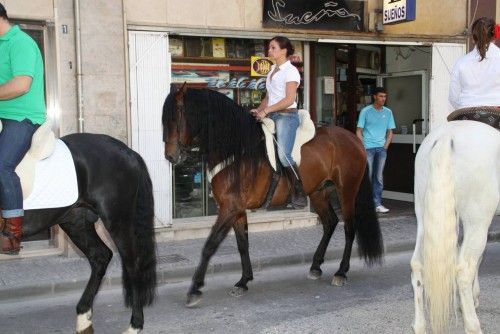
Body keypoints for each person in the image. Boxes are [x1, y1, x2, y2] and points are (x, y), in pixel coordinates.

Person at [0, 3, 46, 254]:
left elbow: (21, 85)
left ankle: (13, 233)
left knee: (2, 164)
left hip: (22, 117)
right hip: (2, 115)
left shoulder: (21, 43)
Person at [251, 36, 307, 209]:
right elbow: (269, 97)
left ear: (284, 51)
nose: (269, 51)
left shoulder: (291, 71)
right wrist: (259, 110)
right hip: (272, 115)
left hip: (286, 116)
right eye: (269, 48)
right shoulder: (272, 70)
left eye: (273, 48)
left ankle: (299, 191)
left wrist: (266, 111)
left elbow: (289, 98)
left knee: (283, 155)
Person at [356, 87, 395, 213]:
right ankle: (365, 203)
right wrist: (363, 146)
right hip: (368, 149)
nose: (383, 99)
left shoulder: (388, 112)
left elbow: (390, 131)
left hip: (381, 149)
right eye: (380, 96)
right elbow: (359, 131)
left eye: (384, 96)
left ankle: (377, 203)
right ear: (374, 97)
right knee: (367, 176)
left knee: (378, 178)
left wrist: (385, 146)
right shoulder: (365, 111)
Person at [449, 17, 500, 109]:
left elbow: (453, 97)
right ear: (494, 36)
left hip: (466, 111)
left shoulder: (461, 62)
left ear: (473, 37)